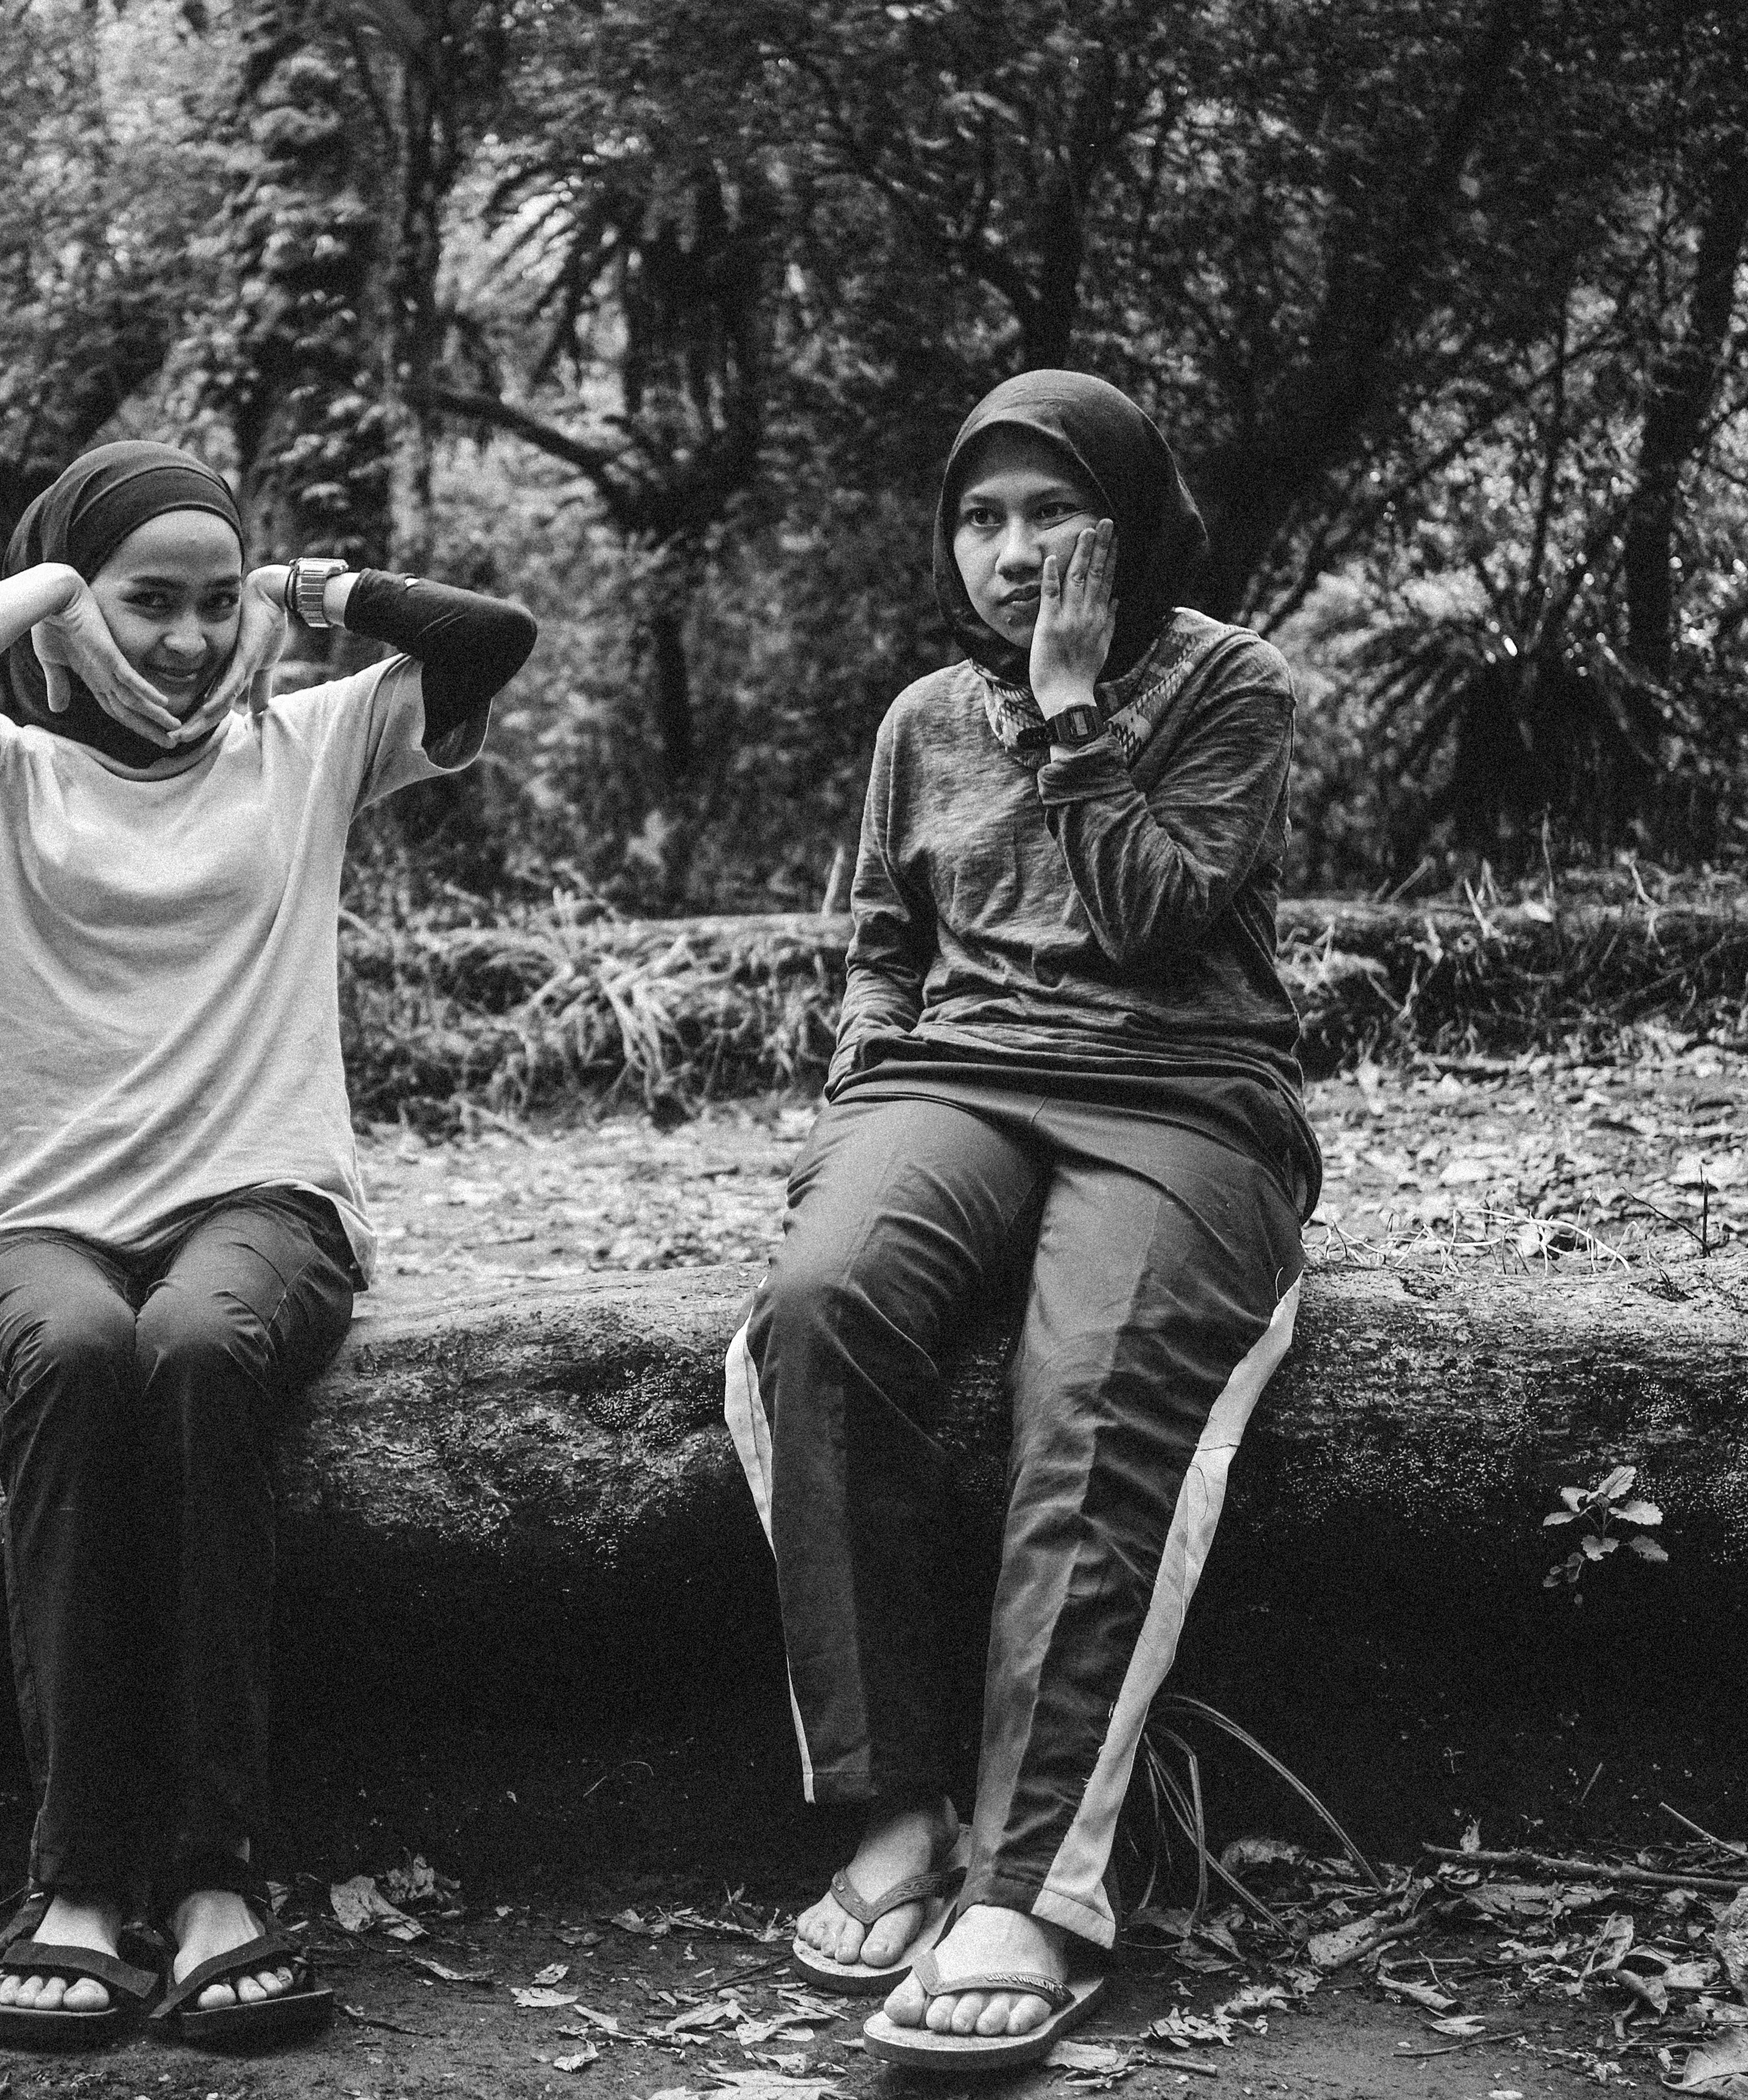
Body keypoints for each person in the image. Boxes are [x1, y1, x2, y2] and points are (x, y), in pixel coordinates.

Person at [0, 439, 536, 2050]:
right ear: (77, 609)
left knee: (198, 1348)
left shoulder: (311, 744)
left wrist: (321, 592)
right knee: (79, 1352)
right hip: (34, 1217)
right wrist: (44, 592)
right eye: (150, 603)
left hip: (262, 1203)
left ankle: (216, 1879)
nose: (193, 639)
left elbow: (488, 635)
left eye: (219, 604)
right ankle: (77, 1885)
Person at [721, 372, 1319, 2071]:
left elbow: (1150, 913)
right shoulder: (918, 720)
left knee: (1096, 1389)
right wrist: (853, 1110)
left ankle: (1038, 1885)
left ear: (1128, 523)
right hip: (955, 1080)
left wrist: (1067, 713)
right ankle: (896, 1806)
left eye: (1050, 512)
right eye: (981, 519)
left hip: (1184, 1096)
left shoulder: (1229, 683)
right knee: (822, 1304)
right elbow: (884, 942)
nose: (1009, 551)